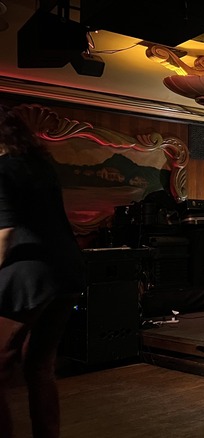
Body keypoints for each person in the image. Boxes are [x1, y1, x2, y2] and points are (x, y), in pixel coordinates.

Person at [0, 105, 87, 438]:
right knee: (39, 367)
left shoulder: (2, 169)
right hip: (66, 273)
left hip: (28, 277)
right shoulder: (40, 166)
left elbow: (4, 235)